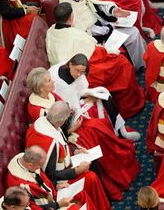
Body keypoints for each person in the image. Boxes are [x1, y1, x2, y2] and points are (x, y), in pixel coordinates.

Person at [24, 67, 140, 201]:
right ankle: (109, 185)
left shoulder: (49, 94)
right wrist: (72, 129)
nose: (53, 83)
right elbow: (55, 133)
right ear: (40, 88)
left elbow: (61, 115)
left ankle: (122, 151)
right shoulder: (38, 111)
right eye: (49, 81)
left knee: (99, 126)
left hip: (69, 125)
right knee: (93, 137)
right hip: (67, 136)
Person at [46, 3, 145, 116]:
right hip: (82, 71)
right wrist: (105, 51)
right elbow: (92, 50)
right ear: (71, 18)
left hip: (69, 68)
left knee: (119, 58)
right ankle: (130, 107)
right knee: (122, 64)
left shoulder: (51, 31)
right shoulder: (74, 34)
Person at [24, 104, 111, 206]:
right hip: (58, 182)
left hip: (64, 166)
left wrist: (75, 151)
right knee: (91, 177)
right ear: (62, 121)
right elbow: (51, 174)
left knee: (92, 161)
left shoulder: (46, 121)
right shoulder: (51, 144)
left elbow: (63, 143)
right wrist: (76, 171)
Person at [59, 0, 147, 70]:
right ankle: (138, 67)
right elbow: (83, 30)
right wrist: (105, 29)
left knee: (134, 31)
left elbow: (100, 2)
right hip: (97, 36)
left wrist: (113, 10)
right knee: (133, 34)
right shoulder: (67, 8)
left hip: (104, 22)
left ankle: (141, 64)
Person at [4, 147, 78, 210]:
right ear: (30, 165)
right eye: (39, 166)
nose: (39, 169)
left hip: (54, 197)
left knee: (80, 193)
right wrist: (58, 205)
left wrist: (56, 185)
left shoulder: (28, 162)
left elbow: (42, 183)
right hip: (48, 206)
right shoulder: (19, 185)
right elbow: (30, 207)